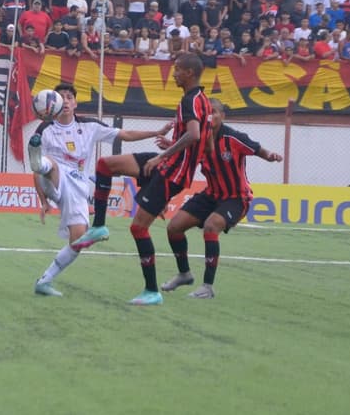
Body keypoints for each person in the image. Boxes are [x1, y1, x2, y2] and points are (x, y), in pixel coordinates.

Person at [73, 54, 213, 305]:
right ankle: (99, 226)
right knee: (106, 164)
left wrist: (163, 157)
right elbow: (202, 140)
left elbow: (193, 135)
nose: (173, 74)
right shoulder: (201, 99)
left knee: (138, 227)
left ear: (189, 73)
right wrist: (172, 147)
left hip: (173, 171)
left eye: (177, 70)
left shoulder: (191, 100)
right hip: (170, 163)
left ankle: (152, 291)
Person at [30, 83, 172, 297]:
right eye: (61, 97)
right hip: (53, 177)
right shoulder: (45, 130)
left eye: (69, 97)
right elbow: (36, 175)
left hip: (77, 188)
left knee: (77, 240)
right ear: (53, 104)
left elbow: (126, 134)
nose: (66, 100)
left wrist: (157, 131)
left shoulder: (89, 126)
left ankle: (44, 281)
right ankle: (39, 161)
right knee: (46, 163)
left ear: (75, 103)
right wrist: (43, 201)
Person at [162, 99, 283, 298]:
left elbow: (257, 149)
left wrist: (270, 155)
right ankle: (184, 274)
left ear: (222, 116)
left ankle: (207, 287)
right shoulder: (197, 138)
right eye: (208, 112)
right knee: (174, 227)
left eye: (215, 112)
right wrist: (172, 146)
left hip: (236, 198)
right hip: (211, 194)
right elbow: (182, 161)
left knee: (211, 225)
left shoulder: (234, 138)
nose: (211, 116)